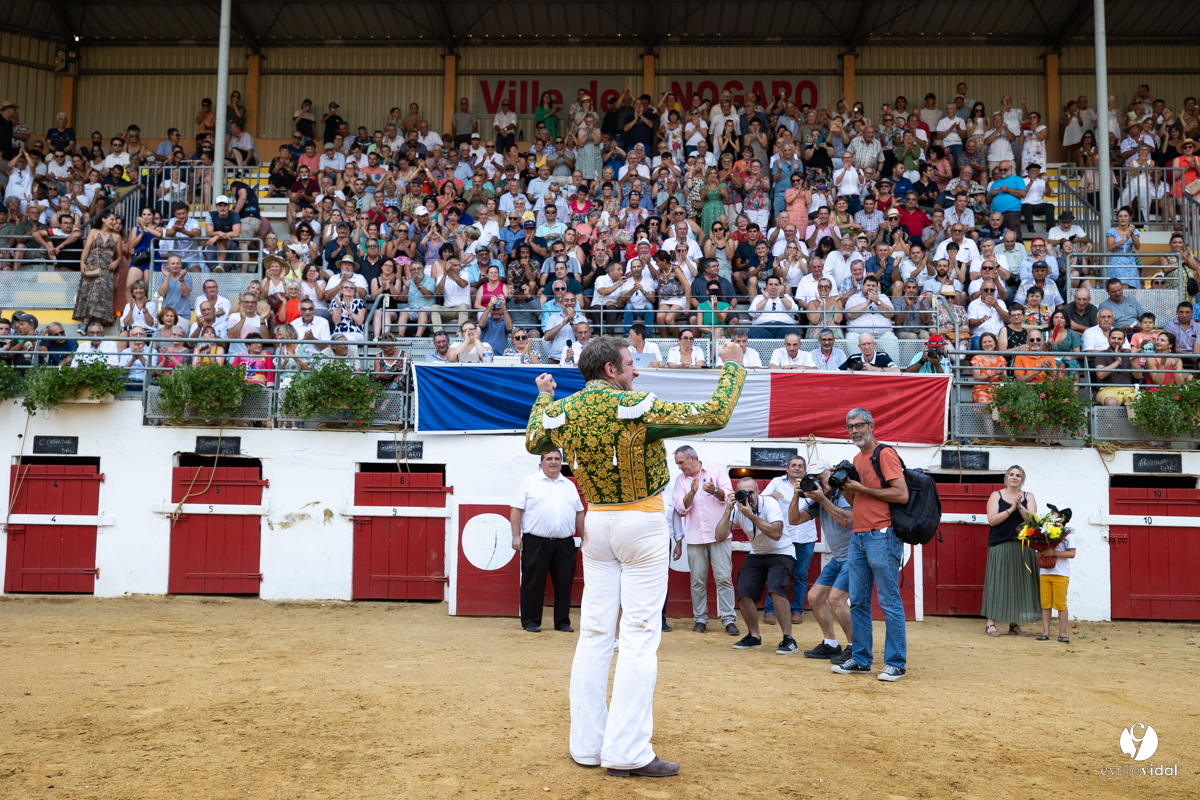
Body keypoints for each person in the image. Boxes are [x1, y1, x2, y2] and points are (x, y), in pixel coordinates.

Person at [525, 336, 746, 778]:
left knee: (593, 635)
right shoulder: (636, 405)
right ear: (611, 370)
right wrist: (733, 367)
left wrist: (544, 396)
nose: (636, 371)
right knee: (640, 635)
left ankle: (587, 745)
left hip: (598, 526)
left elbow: (534, 440)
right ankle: (627, 750)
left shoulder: (562, 410)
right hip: (641, 524)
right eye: (630, 364)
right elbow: (714, 415)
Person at [831, 408, 910, 681]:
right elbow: (857, 503)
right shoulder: (856, 458)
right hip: (859, 535)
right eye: (849, 427)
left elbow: (901, 494)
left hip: (882, 534)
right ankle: (861, 659)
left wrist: (861, 488)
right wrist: (846, 487)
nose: (854, 430)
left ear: (871, 425)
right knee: (859, 602)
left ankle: (896, 663)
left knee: (889, 601)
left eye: (859, 425)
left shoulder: (885, 453)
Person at [785, 459, 856, 660]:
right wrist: (796, 496)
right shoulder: (819, 498)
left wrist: (822, 499)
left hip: (855, 556)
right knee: (815, 597)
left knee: (836, 599)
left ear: (829, 476)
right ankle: (831, 644)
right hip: (839, 557)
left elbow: (846, 520)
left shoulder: (842, 494)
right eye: (813, 479)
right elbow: (794, 520)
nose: (817, 483)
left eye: (820, 478)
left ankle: (854, 647)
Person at [718, 477, 796, 655]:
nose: (747, 496)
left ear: (758, 492)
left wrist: (750, 515)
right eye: (743, 492)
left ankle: (789, 638)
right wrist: (727, 510)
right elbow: (720, 537)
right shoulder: (736, 508)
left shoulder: (769, 503)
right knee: (744, 591)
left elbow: (776, 534)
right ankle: (754, 636)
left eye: (751, 492)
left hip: (781, 551)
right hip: (758, 553)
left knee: (776, 588)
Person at [510, 449, 585, 634]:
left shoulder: (569, 485)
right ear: (541, 463)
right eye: (549, 459)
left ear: (561, 462)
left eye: (557, 459)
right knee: (533, 583)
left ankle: (562, 622)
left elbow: (579, 513)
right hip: (536, 541)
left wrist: (584, 538)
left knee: (564, 582)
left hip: (564, 542)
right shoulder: (529, 483)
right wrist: (516, 536)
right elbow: (516, 510)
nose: (554, 462)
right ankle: (531, 621)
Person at [670, 446, 738, 635]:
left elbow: (729, 496)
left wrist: (714, 490)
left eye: (681, 462)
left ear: (692, 458)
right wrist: (692, 492)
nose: (679, 467)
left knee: (723, 577)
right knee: (697, 580)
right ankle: (700, 619)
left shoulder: (716, 470)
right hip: (695, 536)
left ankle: (728, 619)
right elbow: (680, 508)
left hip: (719, 534)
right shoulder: (680, 480)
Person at [982, 465, 1041, 637]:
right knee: (996, 583)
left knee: (1018, 584)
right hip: (999, 544)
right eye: (1011, 474)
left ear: (1022, 479)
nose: (1014, 477)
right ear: (1006, 477)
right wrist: (1010, 509)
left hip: (1022, 546)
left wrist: (1020, 506)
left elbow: (1032, 521)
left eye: (1018, 475)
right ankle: (990, 623)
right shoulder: (996, 495)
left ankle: (1014, 624)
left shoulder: (1028, 496)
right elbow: (992, 520)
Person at [761, 456, 818, 626]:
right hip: (783, 536)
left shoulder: (812, 484)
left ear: (805, 470)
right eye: (793, 465)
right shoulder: (777, 482)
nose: (797, 468)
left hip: (806, 537)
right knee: (777, 575)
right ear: (787, 469)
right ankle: (770, 611)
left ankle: (796, 611)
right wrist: (771, 495)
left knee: (801, 575)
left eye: (800, 466)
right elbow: (760, 501)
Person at [73, 211, 122, 327]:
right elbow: (86, 249)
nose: (114, 222)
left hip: (106, 269)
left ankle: (89, 323)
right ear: (103, 220)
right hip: (92, 265)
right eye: (112, 219)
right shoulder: (94, 232)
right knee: (89, 293)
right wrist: (81, 262)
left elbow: (120, 255)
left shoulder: (117, 236)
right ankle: (93, 324)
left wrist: (117, 262)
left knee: (100, 294)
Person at [1038, 505, 1076, 643]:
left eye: (1053, 512)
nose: (1050, 514)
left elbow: (1072, 553)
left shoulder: (1068, 535)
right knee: (1045, 604)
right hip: (1045, 572)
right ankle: (1045, 632)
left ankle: (1063, 633)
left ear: (1062, 518)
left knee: (1060, 604)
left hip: (1060, 573)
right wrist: (1040, 553)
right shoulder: (1045, 532)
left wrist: (1054, 553)